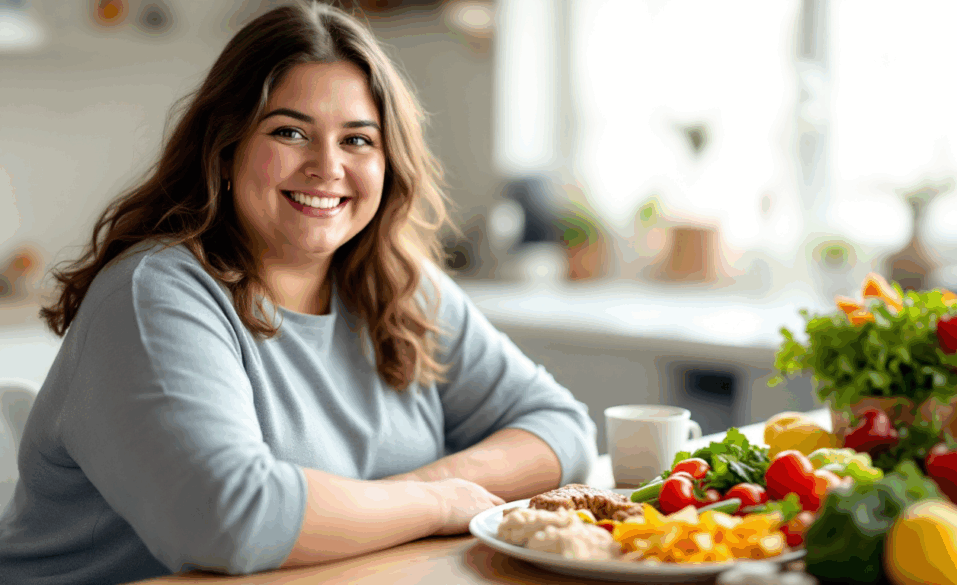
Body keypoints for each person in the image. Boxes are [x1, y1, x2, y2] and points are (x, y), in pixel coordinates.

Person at [0, 2, 597, 583]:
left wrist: (398, 496)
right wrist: (436, 502)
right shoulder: (156, 294)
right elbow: (230, 520)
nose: (326, 166)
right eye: (290, 132)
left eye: (358, 140)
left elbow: (562, 431)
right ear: (226, 148)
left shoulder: (399, 286)